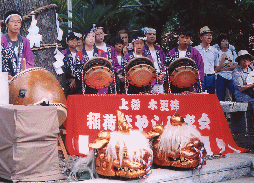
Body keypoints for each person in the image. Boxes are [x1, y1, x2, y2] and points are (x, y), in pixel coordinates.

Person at [165, 27, 204, 93]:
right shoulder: (171, 53)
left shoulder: (195, 53)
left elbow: (200, 68)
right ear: (178, 38)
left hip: (191, 84)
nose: (185, 40)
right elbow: (167, 68)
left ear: (190, 39)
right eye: (182, 37)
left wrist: (195, 80)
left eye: (187, 38)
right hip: (175, 84)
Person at [1, 10, 34, 80]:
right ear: (6, 24)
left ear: (21, 25)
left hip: (23, 77)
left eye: (18, 22)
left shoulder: (25, 41)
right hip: (4, 78)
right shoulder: (1, 41)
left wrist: (24, 71)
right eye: (12, 21)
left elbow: (30, 61)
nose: (16, 24)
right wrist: (6, 75)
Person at [195, 26, 219, 94]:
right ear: (201, 37)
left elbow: (215, 66)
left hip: (211, 77)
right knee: (199, 97)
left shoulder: (214, 50)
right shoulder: (195, 50)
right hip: (199, 77)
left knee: (210, 98)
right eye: (206, 35)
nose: (209, 37)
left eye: (210, 35)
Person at [142, 27, 166, 93]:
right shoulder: (142, 49)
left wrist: (162, 74)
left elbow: (164, 63)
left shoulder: (159, 49)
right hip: (147, 80)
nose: (152, 36)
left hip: (160, 79)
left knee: (159, 100)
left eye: (154, 34)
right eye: (149, 34)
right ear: (145, 35)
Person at [215, 34, 237, 101]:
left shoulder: (232, 52)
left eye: (226, 41)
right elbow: (217, 69)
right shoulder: (217, 53)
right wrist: (222, 59)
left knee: (236, 94)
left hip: (231, 77)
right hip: (220, 77)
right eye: (223, 41)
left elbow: (235, 65)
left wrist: (225, 69)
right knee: (220, 97)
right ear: (220, 43)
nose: (225, 43)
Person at [62, 32, 79, 97]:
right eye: (71, 40)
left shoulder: (80, 54)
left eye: (76, 40)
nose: (74, 42)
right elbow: (64, 68)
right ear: (67, 42)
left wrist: (76, 79)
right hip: (66, 82)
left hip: (78, 81)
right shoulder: (63, 53)